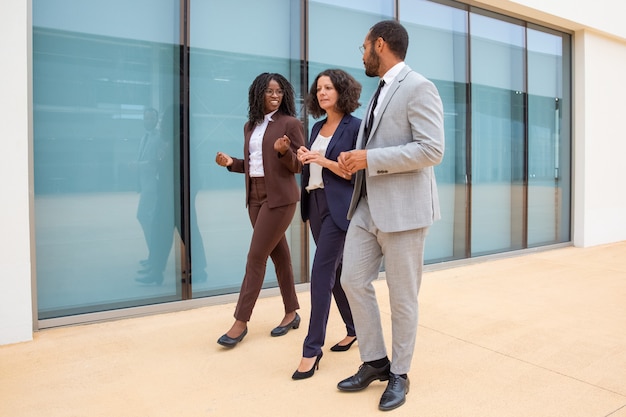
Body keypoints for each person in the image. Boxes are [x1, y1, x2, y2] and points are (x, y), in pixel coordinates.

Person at [336, 20, 445, 411]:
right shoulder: (378, 92)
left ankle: (399, 373)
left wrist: (370, 159)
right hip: (367, 206)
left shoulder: (419, 87)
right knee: (351, 280)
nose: (361, 54)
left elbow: (432, 150)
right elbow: (377, 148)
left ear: (380, 45)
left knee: (402, 298)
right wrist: (355, 162)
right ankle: (375, 360)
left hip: (404, 211)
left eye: (364, 46)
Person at [215, 72, 304, 348]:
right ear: (258, 94)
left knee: (255, 257)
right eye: (269, 91)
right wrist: (232, 162)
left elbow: (299, 165)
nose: (275, 96)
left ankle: (240, 322)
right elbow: (255, 163)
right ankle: (291, 313)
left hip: (280, 199)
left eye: (279, 91)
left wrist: (284, 152)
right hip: (254, 198)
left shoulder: (290, 123)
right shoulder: (250, 126)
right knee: (280, 257)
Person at [292, 69, 362, 380]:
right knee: (334, 273)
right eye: (318, 89)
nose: (322, 93)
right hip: (315, 203)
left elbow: (351, 173)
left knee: (320, 274)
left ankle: (311, 349)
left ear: (342, 91)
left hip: (339, 209)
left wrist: (321, 161)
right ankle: (354, 328)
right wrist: (304, 157)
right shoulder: (317, 126)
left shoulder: (355, 128)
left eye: (328, 87)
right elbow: (310, 169)